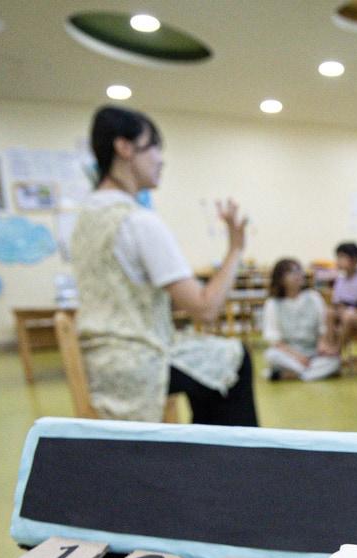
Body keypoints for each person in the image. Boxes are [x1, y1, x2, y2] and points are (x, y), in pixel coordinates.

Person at [71, 105, 258, 425]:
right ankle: (228, 467)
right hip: (138, 363)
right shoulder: (138, 221)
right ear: (124, 148)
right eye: (154, 147)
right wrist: (235, 249)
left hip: (100, 361)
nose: (160, 159)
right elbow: (205, 308)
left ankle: (201, 456)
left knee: (212, 362)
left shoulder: (86, 216)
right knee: (236, 359)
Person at [261, 258, 339, 381]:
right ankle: (308, 374)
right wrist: (298, 357)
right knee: (271, 355)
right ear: (280, 279)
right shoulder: (273, 304)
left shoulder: (314, 297)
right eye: (292, 272)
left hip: (314, 352)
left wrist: (322, 344)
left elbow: (322, 328)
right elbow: (275, 340)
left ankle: (291, 375)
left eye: (299, 271)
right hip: (290, 353)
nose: (298, 275)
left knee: (334, 361)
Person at [327, 241, 357, 366]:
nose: (339, 261)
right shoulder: (340, 279)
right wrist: (340, 310)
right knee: (329, 313)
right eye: (338, 257)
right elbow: (337, 303)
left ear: (354, 260)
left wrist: (352, 312)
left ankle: (337, 350)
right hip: (345, 313)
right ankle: (328, 345)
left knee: (348, 317)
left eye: (342, 257)